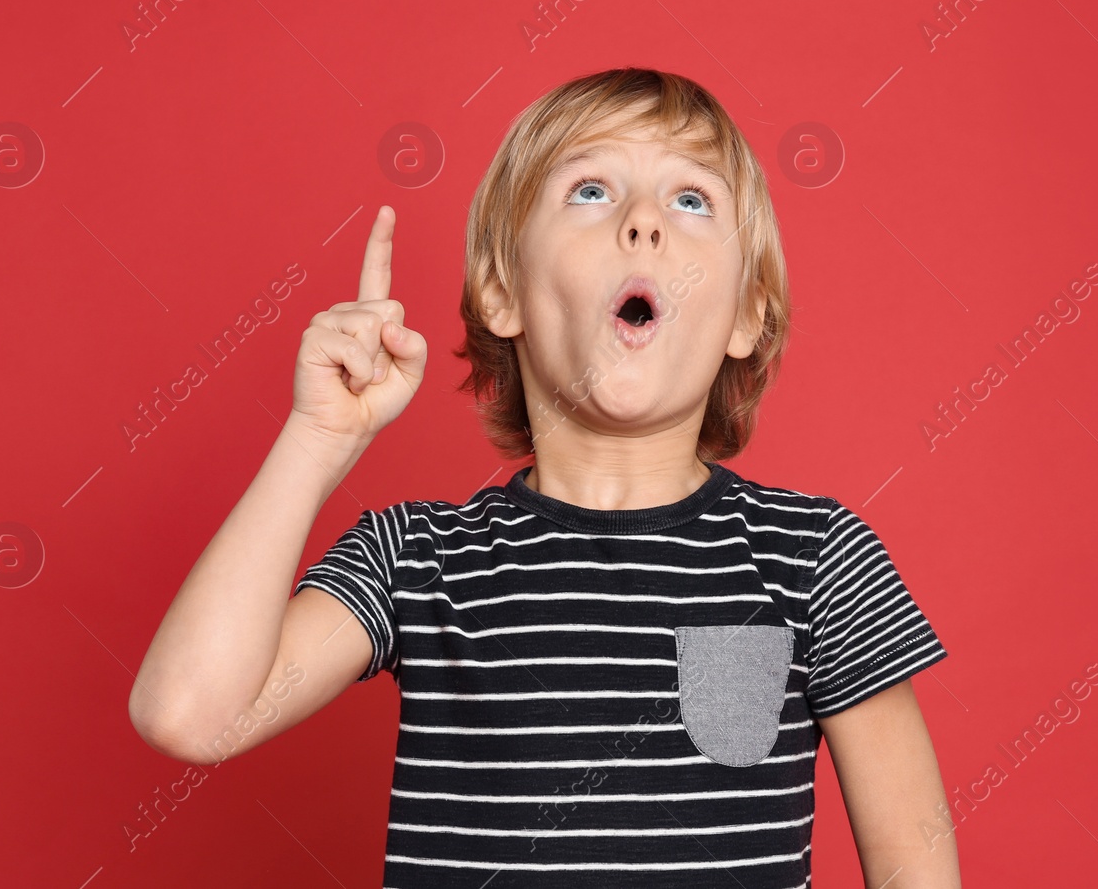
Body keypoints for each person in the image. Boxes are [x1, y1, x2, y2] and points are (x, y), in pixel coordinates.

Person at [129, 68, 960, 887]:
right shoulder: (415, 558)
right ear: (501, 291)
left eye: (691, 199)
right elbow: (190, 715)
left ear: (747, 313)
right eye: (592, 191)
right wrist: (317, 439)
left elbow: (914, 870)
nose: (643, 224)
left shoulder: (814, 557)